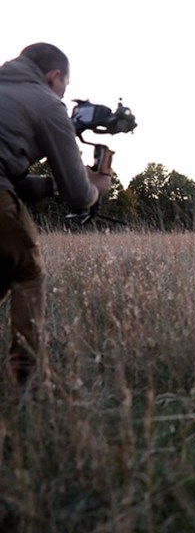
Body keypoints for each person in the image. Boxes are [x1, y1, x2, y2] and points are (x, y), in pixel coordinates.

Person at [0, 43, 112, 389]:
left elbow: (16, 180)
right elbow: (80, 197)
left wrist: (51, 186)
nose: (65, 93)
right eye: (66, 84)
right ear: (54, 77)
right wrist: (97, 187)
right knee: (27, 273)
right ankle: (24, 384)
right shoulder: (48, 104)